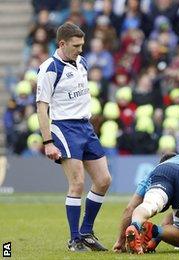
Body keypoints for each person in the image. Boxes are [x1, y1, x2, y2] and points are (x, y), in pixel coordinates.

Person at [35, 22, 111, 252]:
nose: (80, 49)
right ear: (62, 44)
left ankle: (86, 232)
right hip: (64, 128)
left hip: (85, 127)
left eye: (82, 45)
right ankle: (74, 239)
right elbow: (41, 108)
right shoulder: (49, 69)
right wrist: (47, 142)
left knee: (104, 180)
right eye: (76, 45)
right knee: (77, 183)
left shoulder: (82, 62)